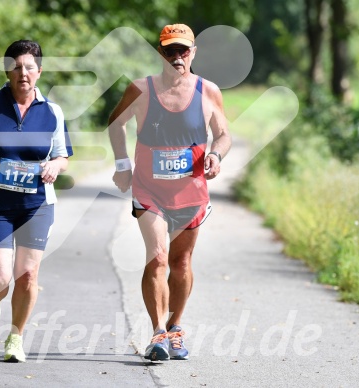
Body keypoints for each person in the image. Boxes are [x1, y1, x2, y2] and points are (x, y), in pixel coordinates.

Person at [108, 24, 231, 361]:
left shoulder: (209, 91)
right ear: (159, 53)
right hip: (150, 191)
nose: (177, 57)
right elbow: (115, 123)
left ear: (193, 52)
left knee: (181, 262)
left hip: (191, 192)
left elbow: (223, 134)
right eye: (170, 51)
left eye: (183, 50)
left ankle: (176, 326)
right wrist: (122, 165)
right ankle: (157, 333)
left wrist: (216, 155)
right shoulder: (140, 89)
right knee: (158, 256)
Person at [0, 40, 72, 363]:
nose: (23, 73)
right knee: (0, 276)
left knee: (27, 275)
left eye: (30, 67)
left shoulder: (52, 112)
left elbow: (63, 156)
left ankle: (16, 338)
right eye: (17, 67)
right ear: (8, 70)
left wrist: (54, 165)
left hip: (37, 205)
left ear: (39, 71)